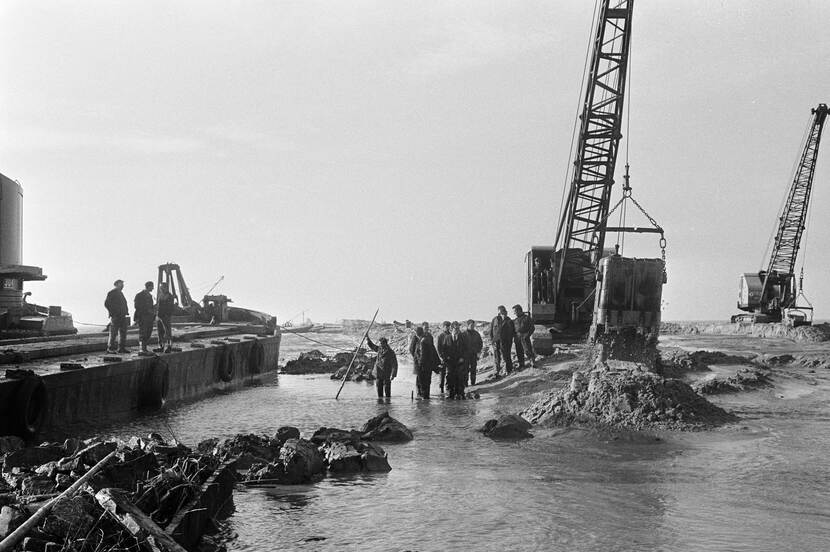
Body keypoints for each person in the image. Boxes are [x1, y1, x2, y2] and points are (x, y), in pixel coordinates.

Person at [366, 335, 398, 401]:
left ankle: (388, 404)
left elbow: (395, 364)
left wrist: (393, 374)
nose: (379, 345)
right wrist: (368, 339)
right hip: (378, 372)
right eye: (379, 343)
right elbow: (372, 346)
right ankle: (380, 405)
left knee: (387, 392)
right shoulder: (379, 349)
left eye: (380, 343)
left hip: (386, 373)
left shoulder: (391, 352)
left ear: (384, 344)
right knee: (379, 391)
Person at [105, 279, 130, 354]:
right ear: (116, 284)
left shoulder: (120, 293)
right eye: (121, 284)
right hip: (116, 316)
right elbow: (107, 304)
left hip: (122, 315)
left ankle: (121, 348)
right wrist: (113, 312)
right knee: (113, 333)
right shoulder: (112, 293)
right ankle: (110, 348)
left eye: (122, 284)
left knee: (123, 332)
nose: (122, 285)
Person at [489, 305, 515, 376]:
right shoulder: (495, 320)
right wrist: (492, 340)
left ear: (505, 312)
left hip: (505, 341)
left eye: (503, 312)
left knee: (506, 355)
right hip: (496, 340)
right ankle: (496, 371)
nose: (502, 313)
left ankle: (507, 370)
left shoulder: (509, 321)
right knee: (497, 356)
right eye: (500, 312)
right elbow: (491, 331)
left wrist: (509, 341)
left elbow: (511, 333)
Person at [414, 327, 439, 399]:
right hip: (428, 366)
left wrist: (420, 364)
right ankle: (426, 400)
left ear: (417, 333)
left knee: (423, 384)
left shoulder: (422, 341)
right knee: (427, 384)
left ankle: (424, 403)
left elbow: (422, 355)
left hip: (423, 367)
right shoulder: (427, 339)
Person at [448, 321, 469, 399]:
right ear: (451, 328)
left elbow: (466, 349)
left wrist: (462, 358)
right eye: (455, 328)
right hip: (450, 362)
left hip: (460, 361)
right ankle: (451, 394)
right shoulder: (447, 338)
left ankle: (461, 393)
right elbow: (444, 349)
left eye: (458, 328)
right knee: (451, 378)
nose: (457, 330)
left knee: (460, 378)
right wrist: (447, 358)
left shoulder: (463, 337)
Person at [134, 281, 155, 354]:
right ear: (148, 286)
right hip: (142, 317)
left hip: (149, 317)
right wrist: (147, 310)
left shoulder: (150, 296)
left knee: (148, 332)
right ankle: (142, 349)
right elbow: (137, 306)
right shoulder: (139, 295)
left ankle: (144, 348)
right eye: (152, 286)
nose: (153, 288)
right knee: (143, 333)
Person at [512, 304, 536, 369]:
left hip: (525, 337)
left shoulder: (527, 318)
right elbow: (514, 330)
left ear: (519, 310)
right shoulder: (515, 320)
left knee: (527, 350)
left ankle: (532, 362)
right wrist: (515, 336)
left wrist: (527, 335)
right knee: (519, 352)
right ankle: (521, 364)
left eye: (515, 311)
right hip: (517, 337)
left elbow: (532, 328)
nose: (514, 313)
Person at [156, 282, 176, 353]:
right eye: (160, 287)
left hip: (166, 316)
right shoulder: (160, 295)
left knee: (167, 332)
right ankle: (161, 346)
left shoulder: (170, 296)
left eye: (162, 287)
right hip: (159, 316)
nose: (160, 289)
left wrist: (167, 315)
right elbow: (158, 306)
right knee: (160, 332)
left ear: (165, 287)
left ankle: (169, 346)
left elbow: (171, 307)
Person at [463, 319, 483, 385]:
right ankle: (465, 383)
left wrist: (478, 352)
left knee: (473, 369)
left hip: (474, 354)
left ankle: (473, 382)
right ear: (468, 325)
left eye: (473, 325)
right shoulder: (463, 334)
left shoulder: (476, 334)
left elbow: (480, 343)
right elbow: (461, 345)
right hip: (466, 355)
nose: (472, 326)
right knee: (465, 370)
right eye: (471, 325)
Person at [435, 321, 453, 394]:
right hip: (442, 357)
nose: (447, 328)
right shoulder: (440, 336)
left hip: (449, 357)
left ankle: (448, 388)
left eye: (448, 326)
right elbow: (438, 347)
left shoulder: (451, 334)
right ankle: (441, 389)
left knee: (449, 373)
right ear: (443, 327)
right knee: (442, 374)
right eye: (446, 326)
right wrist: (441, 357)